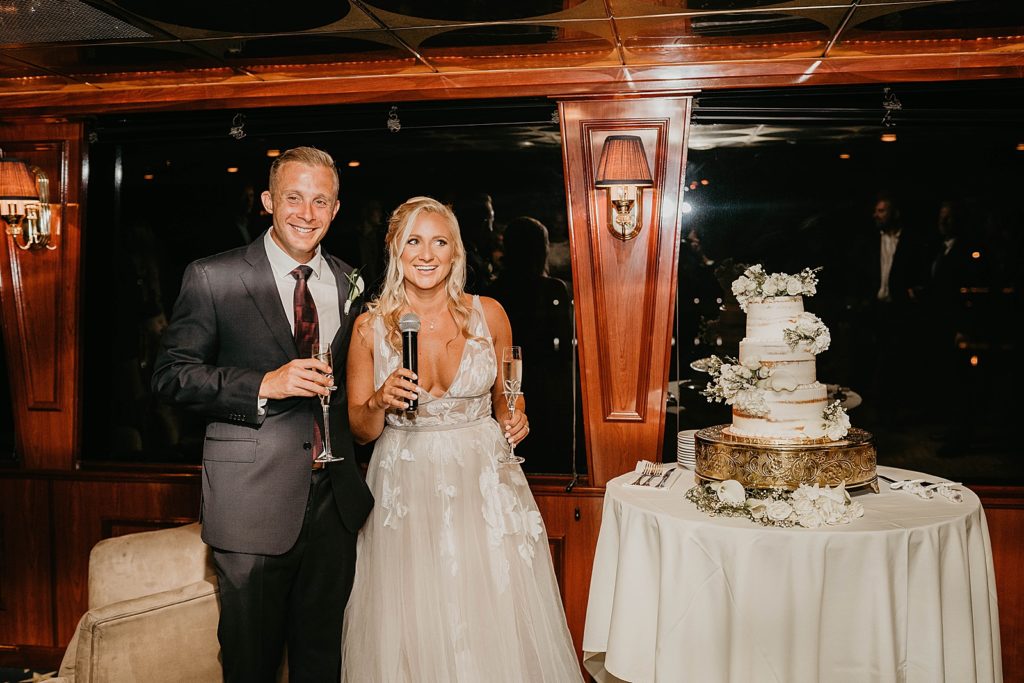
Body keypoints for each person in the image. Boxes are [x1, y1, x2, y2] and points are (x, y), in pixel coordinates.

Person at [151, 146, 373, 682]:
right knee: (251, 665)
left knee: (322, 662)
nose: (306, 212)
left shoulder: (350, 284)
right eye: (294, 198)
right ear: (269, 202)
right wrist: (263, 385)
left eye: (321, 201)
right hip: (250, 503)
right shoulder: (214, 276)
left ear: (336, 209)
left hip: (334, 505)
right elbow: (170, 375)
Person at [342, 197, 582, 682]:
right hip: (404, 481)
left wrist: (517, 416)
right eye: (413, 240)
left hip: (482, 479)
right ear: (395, 249)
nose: (426, 254)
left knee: (488, 601)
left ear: (456, 253)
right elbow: (360, 429)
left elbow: (507, 398)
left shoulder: (488, 315)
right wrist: (379, 401)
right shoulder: (370, 327)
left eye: (439, 242)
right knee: (411, 609)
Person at [488, 216, 574, 471]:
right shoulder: (553, 289)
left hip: (509, 381)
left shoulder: (493, 291)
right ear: (541, 249)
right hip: (545, 383)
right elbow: (566, 347)